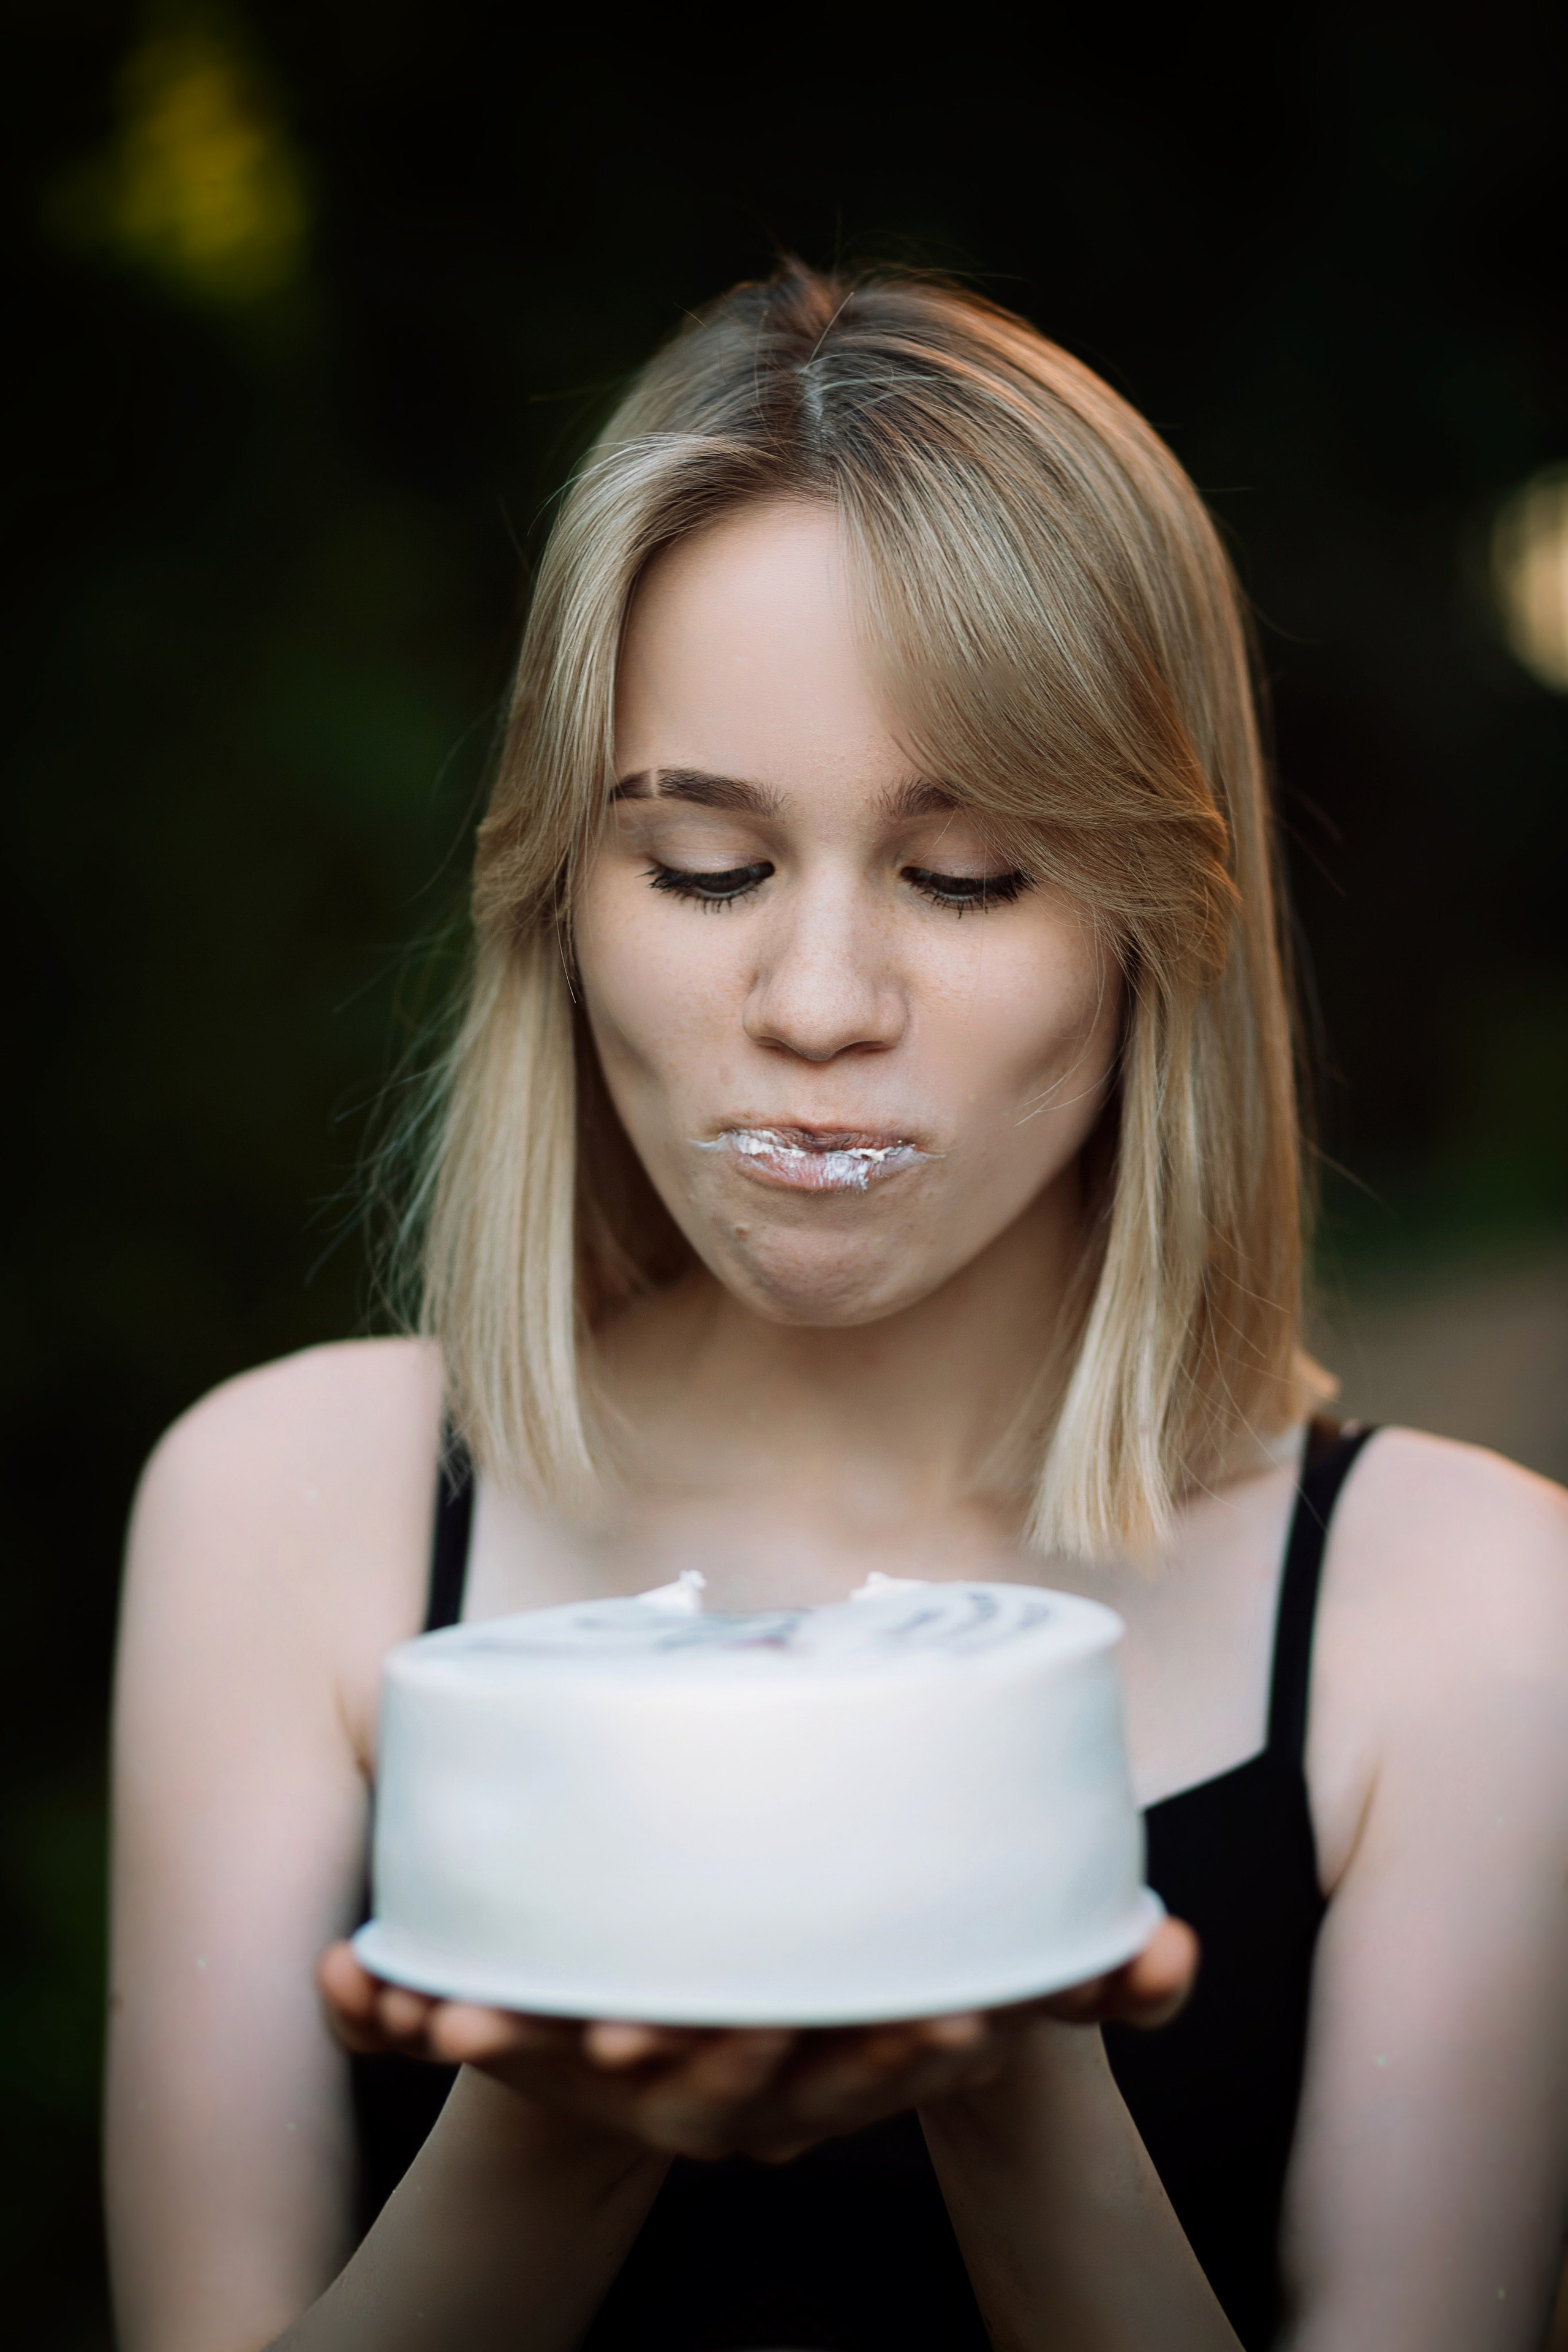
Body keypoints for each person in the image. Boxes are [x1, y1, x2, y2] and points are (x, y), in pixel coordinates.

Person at [106, 263, 1568, 2352]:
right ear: (558, 891)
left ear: (1165, 924)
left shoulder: (1473, 1613)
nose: (814, 1008)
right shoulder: (283, 1509)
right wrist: (554, 2130)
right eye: (704, 869)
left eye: (966, 878)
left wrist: (1010, 2047)